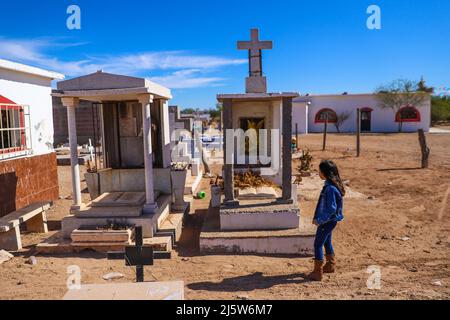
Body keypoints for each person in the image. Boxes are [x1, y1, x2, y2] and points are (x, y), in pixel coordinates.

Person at [308, 160, 345, 281]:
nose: (318, 173)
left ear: (324, 173)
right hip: (331, 221)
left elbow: (331, 209)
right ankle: (330, 265)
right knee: (326, 242)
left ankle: (317, 272)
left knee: (317, 244)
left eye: (319, 171)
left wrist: (319, 220)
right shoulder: (333, 186)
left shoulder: (329, 188)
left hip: (326, 221)